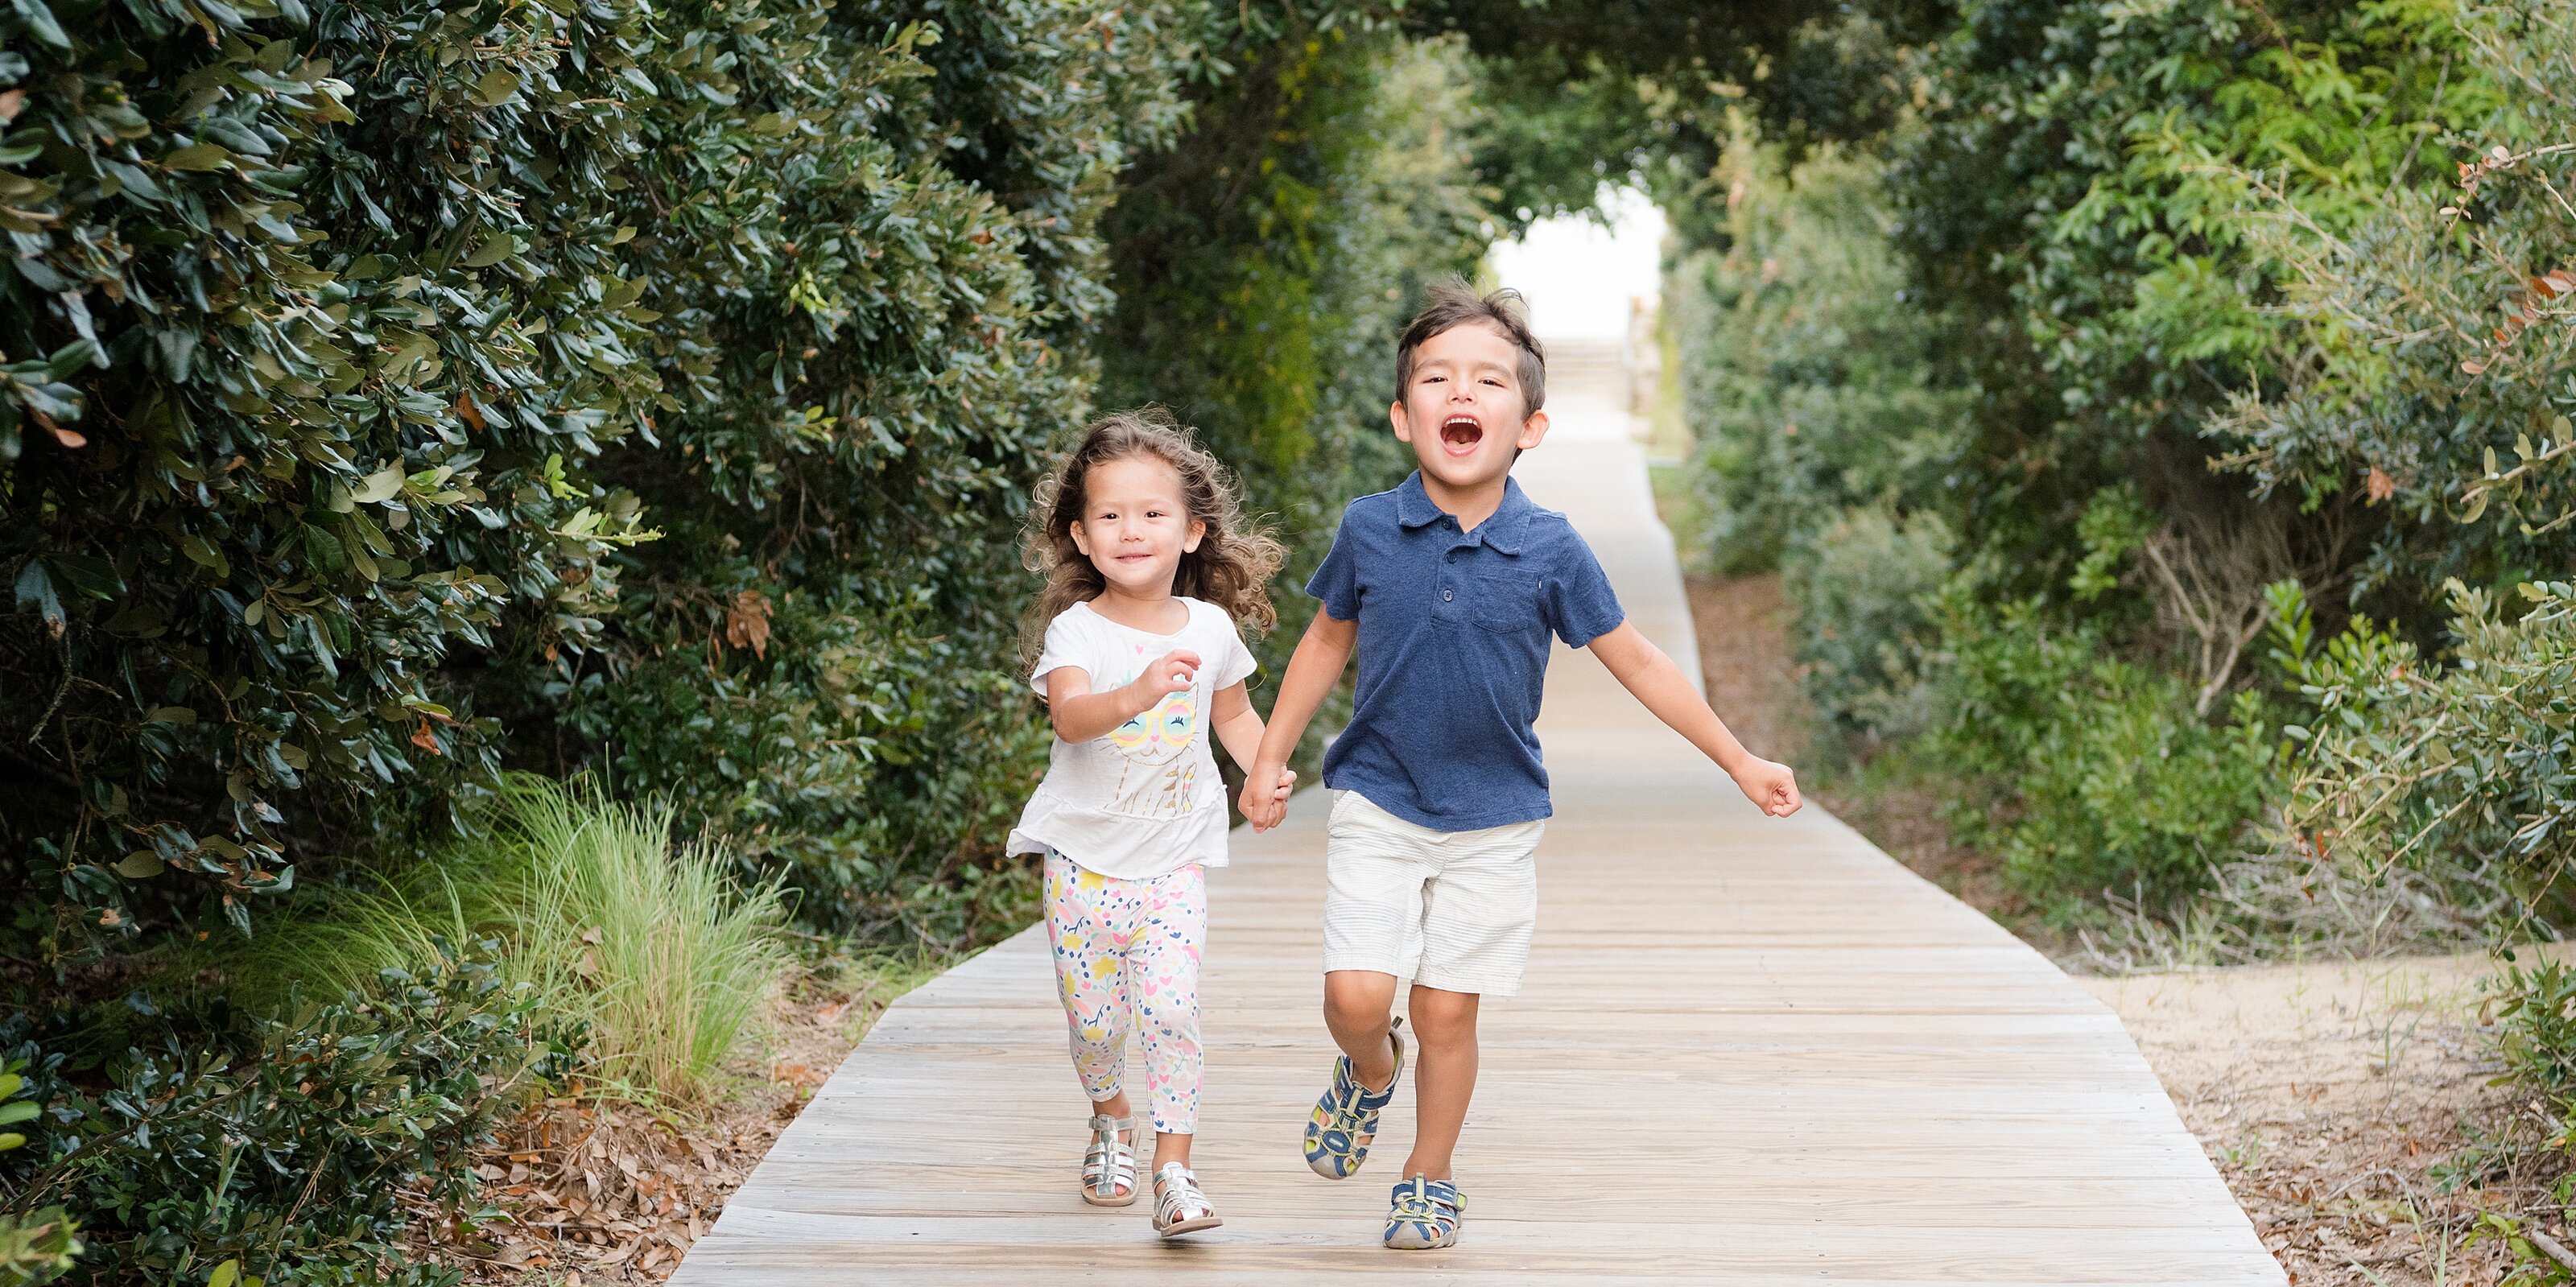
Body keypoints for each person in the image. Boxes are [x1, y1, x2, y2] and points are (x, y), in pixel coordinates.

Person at [1236, 283, 1802, 1251]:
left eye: (1488, 380)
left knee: (1447, 1009)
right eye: (1437, 378)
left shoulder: (1549, 547)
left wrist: (1738, 759)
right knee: (1356, 999)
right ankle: (1370, 1072)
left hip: (1495, 815)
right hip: (1376, 794)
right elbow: (1327, 642)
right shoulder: (1370, 527)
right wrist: (1268, 758)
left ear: (1528, 424)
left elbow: (1638, 661)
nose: (1462, 392)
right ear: (1403, 416)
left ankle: (1427, 1172)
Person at [1008, 410, 1292, 1239]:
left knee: (1169, 1012)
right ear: (1082, 537)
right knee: (1093, 1024)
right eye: (1109, 515)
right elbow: (1071, 717)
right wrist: (1137, 691)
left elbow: (1235, 718)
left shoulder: (1210, 628)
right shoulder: (1077, 631)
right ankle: (1109, 1117)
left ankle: (1174, 1168)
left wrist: (1262, 774)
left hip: (1172, 866)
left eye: (1152, 513)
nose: (1131, 529)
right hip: (1082, 867)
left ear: (1193, 531)